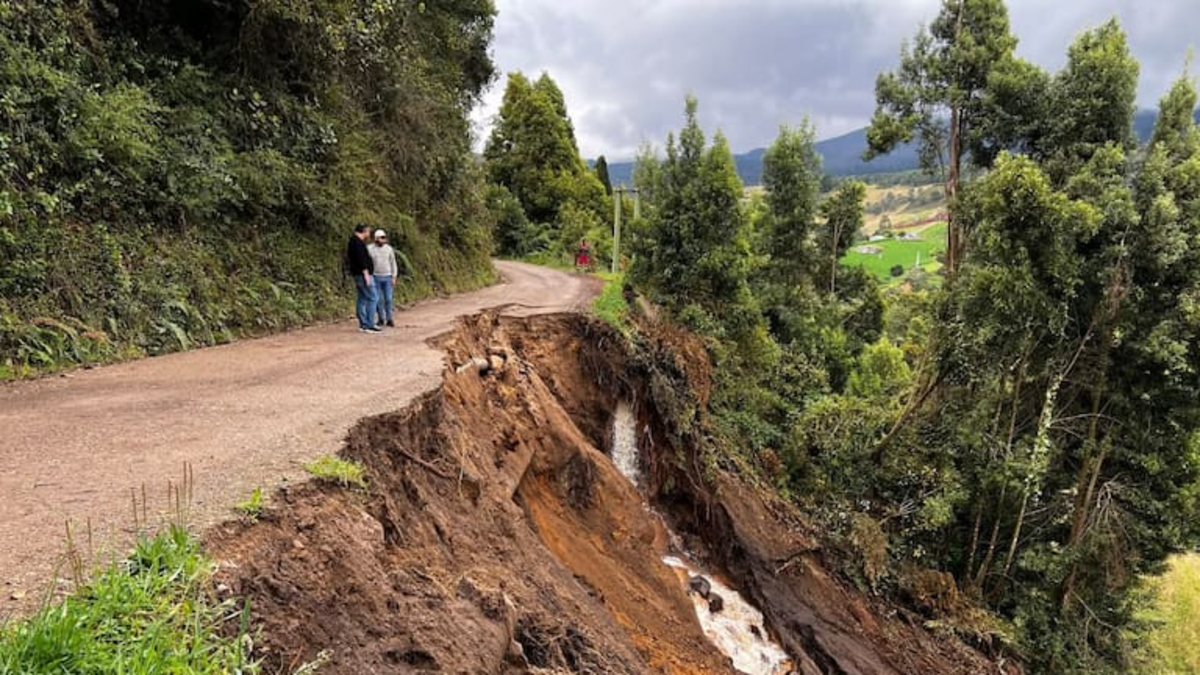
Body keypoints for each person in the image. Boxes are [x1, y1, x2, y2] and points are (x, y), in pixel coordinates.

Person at [345, 224, 380, 333]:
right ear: (364, 231)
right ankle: (369, 324)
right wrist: (366, 273)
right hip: (363, 274)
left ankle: (363, 324)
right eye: (368, 232)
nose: (369, 234)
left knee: (362, 298)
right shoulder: (357, 243)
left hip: (358, 274)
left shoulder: (353, 241)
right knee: (373, 297)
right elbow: (361, 259)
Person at [369, 229, 399, 327]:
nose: (383, 240)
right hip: (375, 276)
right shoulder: (370, 249)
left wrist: (394, 276)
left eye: (384, 237)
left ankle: (389, 318)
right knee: (378, 299)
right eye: (381, 238)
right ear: (376, 238)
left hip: (387, 276)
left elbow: (393, 263)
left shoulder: (389, 249)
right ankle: (381, 318)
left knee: (388, 298)